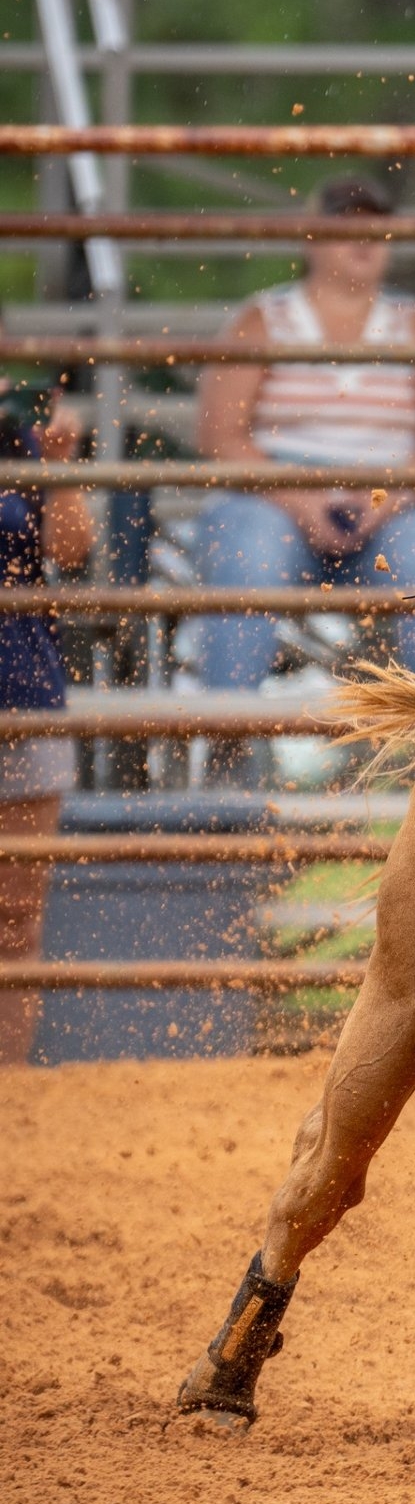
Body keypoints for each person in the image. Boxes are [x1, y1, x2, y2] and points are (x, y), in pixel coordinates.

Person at [193, 178, 415, 719]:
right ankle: (227, 743)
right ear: (312, 239)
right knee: (248, 561)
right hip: (272, 495)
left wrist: (383, 499)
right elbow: (221, 436)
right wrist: (298, 497)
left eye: (375, 228)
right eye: (346, 226)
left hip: (391, 497)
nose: (364, 240)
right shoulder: (261, 320)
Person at [0, 378, 91, 1064]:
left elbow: (71, 550)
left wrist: (58, 464)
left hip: (23, 692)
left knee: (15, 920)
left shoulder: (20, 438)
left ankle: (13, 1087)